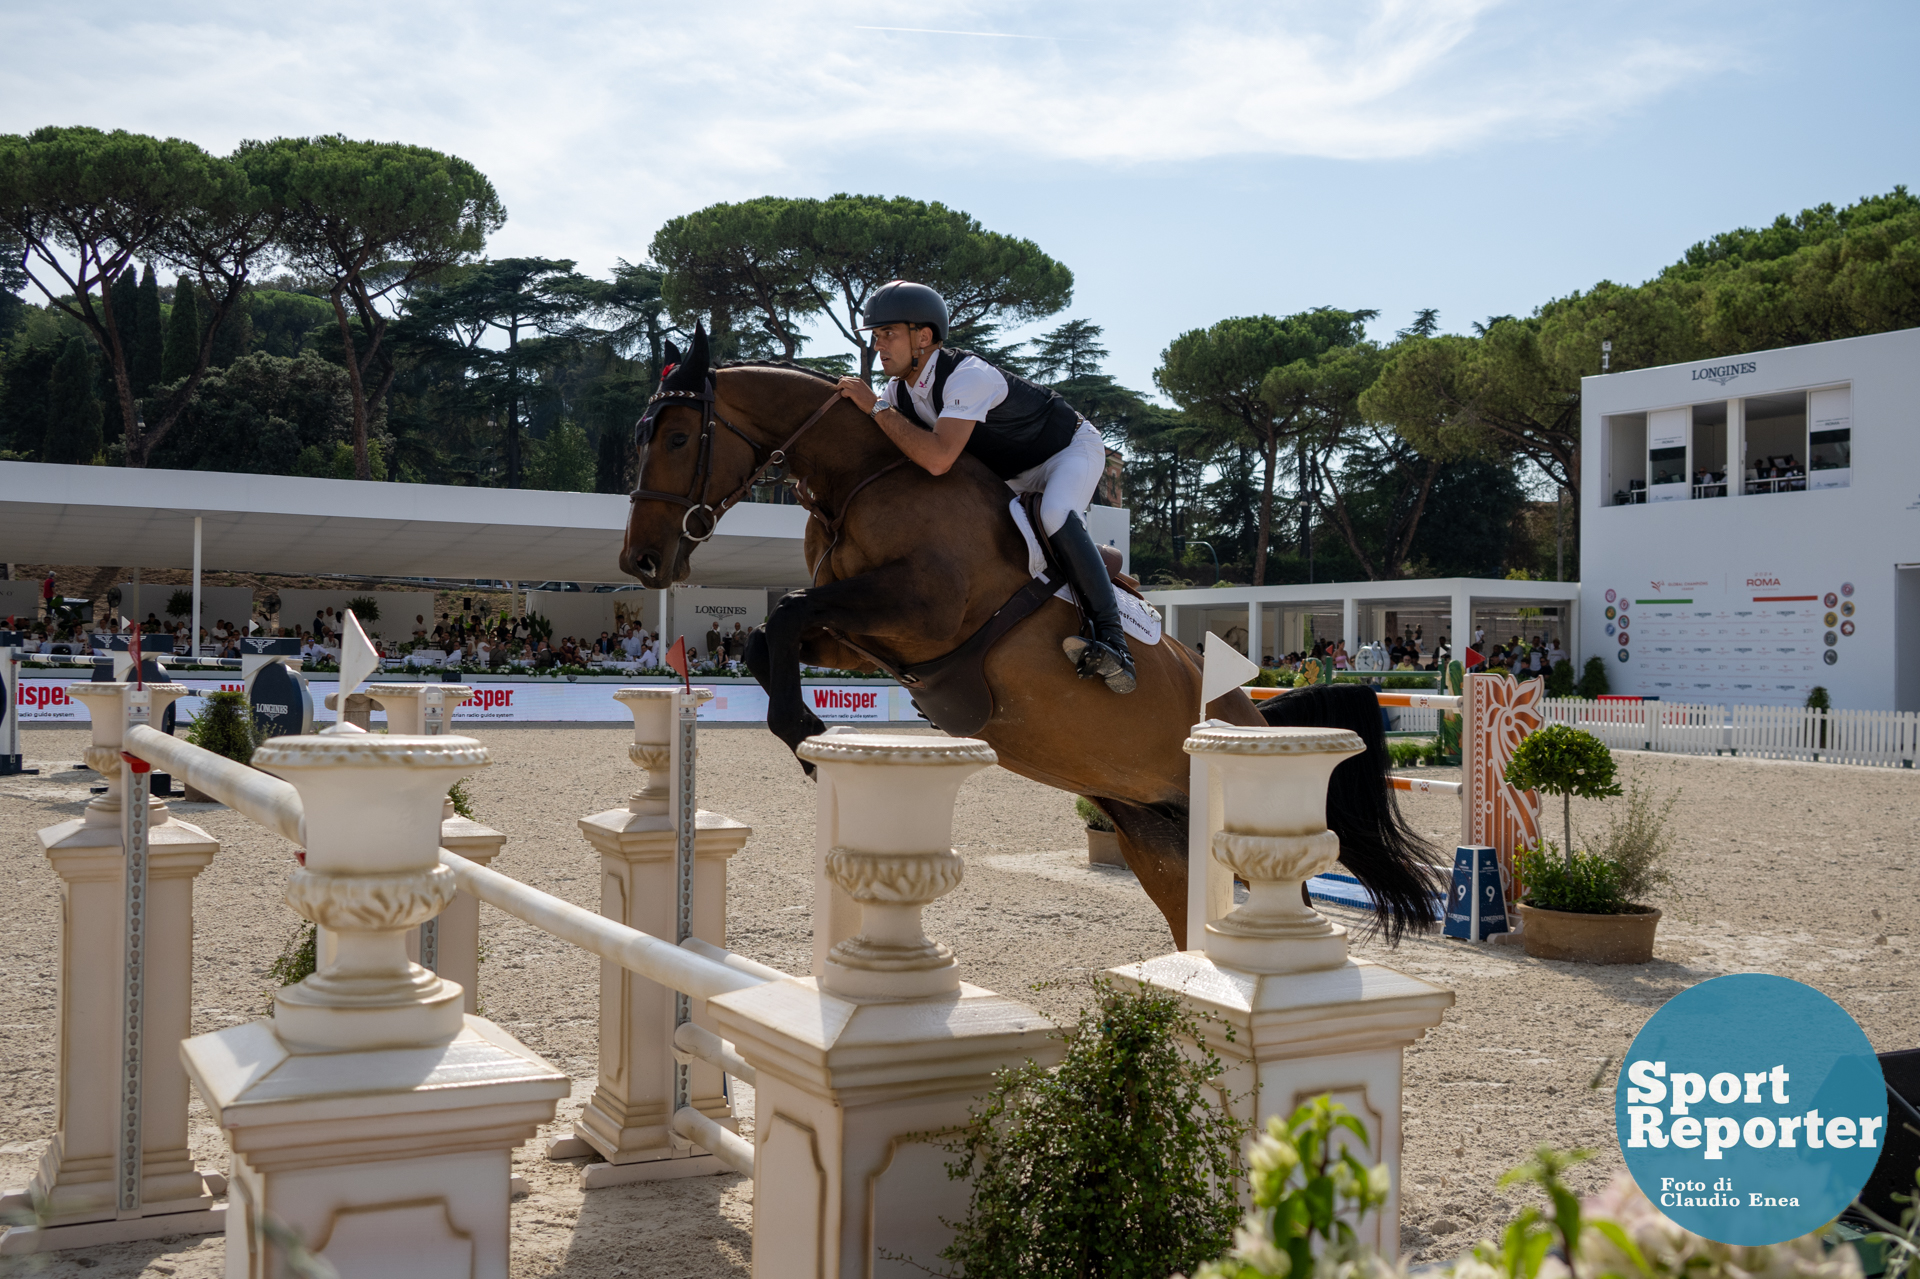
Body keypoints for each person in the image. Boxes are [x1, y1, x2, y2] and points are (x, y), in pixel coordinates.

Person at [835, 280, 1134, 694]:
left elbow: (938, 459)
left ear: (923, 337)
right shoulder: (895, 395)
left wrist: (874, 407)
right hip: (1011, 475)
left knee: (1052, 514)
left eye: (888, 334)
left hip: (1067, 451)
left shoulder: (965, 376)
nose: (878, 346)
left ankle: (1116, 644)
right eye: (875, 336)